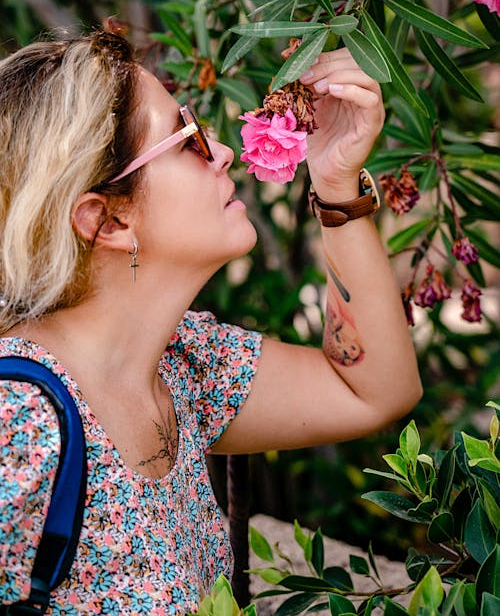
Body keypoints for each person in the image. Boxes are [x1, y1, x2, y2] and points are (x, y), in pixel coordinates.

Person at [0, 31, 422, 615]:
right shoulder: (18, 421)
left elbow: (375, 392)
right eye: (188, 139)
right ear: (107, 221)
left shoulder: (183, 365)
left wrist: (335, 183)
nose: (221, 151)